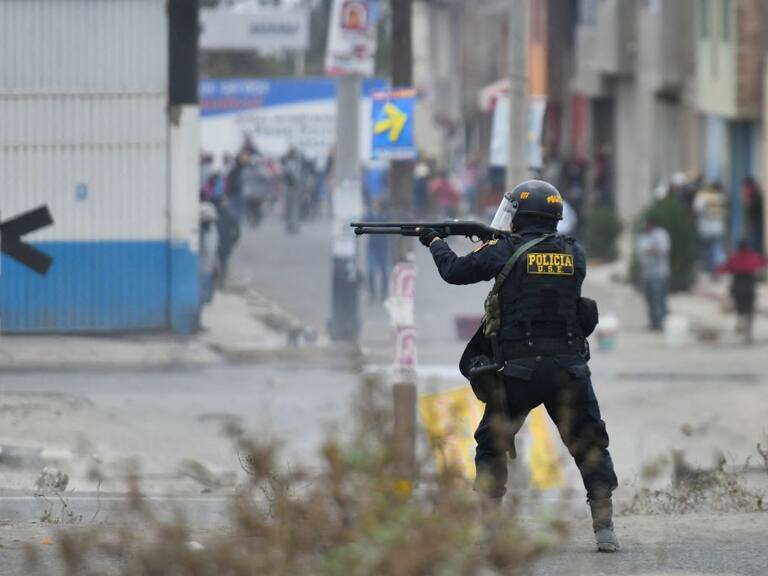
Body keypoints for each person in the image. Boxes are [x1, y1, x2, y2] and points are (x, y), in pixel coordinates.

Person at [418, 180, 619, 552]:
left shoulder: (505, 250)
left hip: (518, 370)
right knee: (590, 444)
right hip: (570, 369)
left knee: (491, 444)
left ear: (520, 217)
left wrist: (435, 242)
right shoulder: (575, 253)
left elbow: (455, 272)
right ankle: (604, 526)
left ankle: (491, 525)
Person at [717, 239, 766, 344]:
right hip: (750, 288)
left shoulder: (734, 258)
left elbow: (722, 269)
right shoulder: (753, 256)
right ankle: (748, 331)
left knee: (740, 308)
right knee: (750, 310)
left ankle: (740, 321)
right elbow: (762, 264)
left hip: (737, 289)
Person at [636, 216, 671, 331]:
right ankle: (654, 322)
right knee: (649, 299)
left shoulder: (660, 234)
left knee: (659, 299)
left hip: (659, 273)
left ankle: (663, 322)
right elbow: (640, 252)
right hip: (646, 273)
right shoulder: (642, 237)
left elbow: (663, 249)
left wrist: (651, 250)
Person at [693, 181, 727, 274]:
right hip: (718, 228)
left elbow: (696, 210)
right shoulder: (720, 197)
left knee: (707, 250)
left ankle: (709, 269)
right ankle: (717, 269)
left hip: (705, 229)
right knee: (717, 249)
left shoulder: (702, 197)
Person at [742, 177, 764, 254]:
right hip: (752, 225)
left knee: (755, 244)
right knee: (752, 243)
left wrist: (747, 201)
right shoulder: (753, 195)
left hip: (755, 225)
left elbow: (752, 209)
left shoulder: (755, 196)